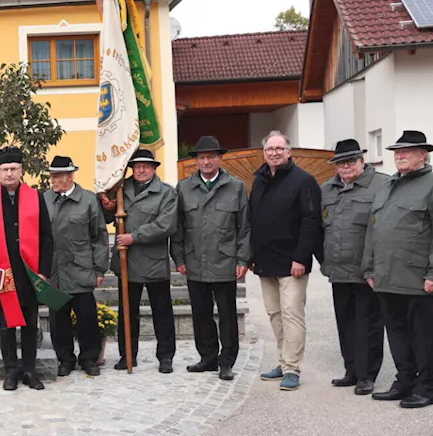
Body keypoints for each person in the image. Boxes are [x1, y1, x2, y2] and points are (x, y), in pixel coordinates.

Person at [363, 131, 433, 409]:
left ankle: (427, 388)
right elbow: (374, 230)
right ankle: (404, 381)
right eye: (396, 152)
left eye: (407, 151)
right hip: (387, 277)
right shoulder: (388, 186)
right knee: (397, 333)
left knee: (424, 335)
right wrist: (369, 268)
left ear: (423, 154)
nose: (400, 156)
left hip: (418, 278)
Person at [0, 146, 53, 390]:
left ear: (21, 171)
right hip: (2, 273)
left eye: (14, 169)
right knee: (7, 326)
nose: (9, 173)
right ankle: (10, 370)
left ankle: (29, 370)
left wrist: (43, 271)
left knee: (30, 324)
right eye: (5, 169)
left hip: (29, 273)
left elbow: (46, 237)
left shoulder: (35, 197)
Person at [171, 136, 250, 382]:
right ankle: (207, 357)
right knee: (201, 313)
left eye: (211, 156)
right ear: (195, 161)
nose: (206, 161)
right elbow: (178, 227)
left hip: (225, 261)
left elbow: (244, 227)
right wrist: (179, 257)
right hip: (195, 261)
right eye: (201, 157)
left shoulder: (236, 186)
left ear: (219, 158)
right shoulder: (183, 188)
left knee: (227, 314)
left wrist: (243, 259)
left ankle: (226, 361)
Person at [249, 130, 321, 392]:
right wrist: (252, 257)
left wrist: (301, 257)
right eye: (270, 149)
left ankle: (292, 368)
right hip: (266, 261)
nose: (274, 153)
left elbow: (311, 221)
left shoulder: (304, 181)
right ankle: (283, 360)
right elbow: (254, 220)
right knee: (275, 315)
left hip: (293, 263)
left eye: (280, 148)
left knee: (292, 315)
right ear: (264, 153)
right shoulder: (259, 180)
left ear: (289, 152)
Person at [99, 148, 178, 374]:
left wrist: (134, 237)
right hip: (127, 262)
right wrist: (107, 204)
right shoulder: (120, 189)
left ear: (154, 168)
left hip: (153, 262)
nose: (141, 170)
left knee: (161, 312)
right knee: (127, 312)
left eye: (146, 166)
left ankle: (165, 357)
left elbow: (166, 225)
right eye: (137, 166)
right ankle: (127, 355)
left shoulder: (166, 193)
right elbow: (105, 218)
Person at [319, 139, 387, 396]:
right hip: (338, 271)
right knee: (345, 322)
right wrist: (324, 262)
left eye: (350, 161)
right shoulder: (326, 189)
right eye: (340, 162)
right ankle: (351, 370)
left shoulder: (382, 185)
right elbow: (319, 228)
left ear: (362, 160)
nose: (345, 166)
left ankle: (367, 375)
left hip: (366, 271)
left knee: (369, 324)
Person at [44, 156, 108, 377]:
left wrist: (99, 269)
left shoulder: (89, 201)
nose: (52, 180)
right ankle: (65, 359)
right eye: (51, 175)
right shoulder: (44, 200)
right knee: (57, 321)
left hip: (81, 270)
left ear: (69, 176)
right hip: (54, 272)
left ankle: (89, 358)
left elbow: (99, 237)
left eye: (56, 176)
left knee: (87, 319)